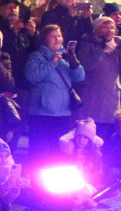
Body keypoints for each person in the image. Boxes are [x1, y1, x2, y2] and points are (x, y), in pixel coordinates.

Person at [25, 25, 85, 164]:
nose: (57, 39)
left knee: (58, 154)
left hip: (63, 113)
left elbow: (80, 77)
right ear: (45, 39)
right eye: (53, 36)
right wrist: (52, 62)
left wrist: (74, 63)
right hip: (42, 114)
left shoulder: (66, 57)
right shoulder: (36, 57)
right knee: (40, 153)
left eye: (59, 36)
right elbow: (33, 76)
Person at [76, 15, 121, 139]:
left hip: (111, 97)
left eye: (112, 28)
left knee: (108, 133)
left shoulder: (118, 43)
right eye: (105, 28)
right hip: (92, 95)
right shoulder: (88, 42)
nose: (109, 31)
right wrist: (103, 51)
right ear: (97, 29)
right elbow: (87, 66)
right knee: (90, 130)